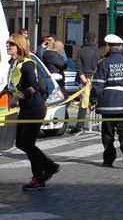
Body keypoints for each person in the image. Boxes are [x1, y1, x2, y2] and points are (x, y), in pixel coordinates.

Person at [0, 34, 60, 190]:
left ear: (19, 46)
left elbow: (34, 87)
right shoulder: (15, 63)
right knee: (20, 143)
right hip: (26, 107)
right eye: (7, 43)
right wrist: (4, 93)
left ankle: (39, 179)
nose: (8, 46)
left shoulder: (27, 63)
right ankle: (50, 166)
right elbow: (15, 85)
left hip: (35, 108)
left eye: (11, 44)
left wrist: (16, 98)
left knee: (28, 143)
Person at [90, 34, 123, 167]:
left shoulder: (104, 63)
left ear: (109, 47)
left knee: (107, 132)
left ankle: (109, 158)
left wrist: (92, 101)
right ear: (121, 47)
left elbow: (97, 84)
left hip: (108, 103)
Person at [70, 32, 105, 134]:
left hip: (84, 80)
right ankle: (99, 125)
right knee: (97, 102)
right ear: (95, 40)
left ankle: (79, 126)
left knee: (83, 103)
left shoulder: (80, 52)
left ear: (85, 40)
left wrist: (85, 81)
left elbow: (78, 68)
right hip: (97, 80)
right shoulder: (100, 52)